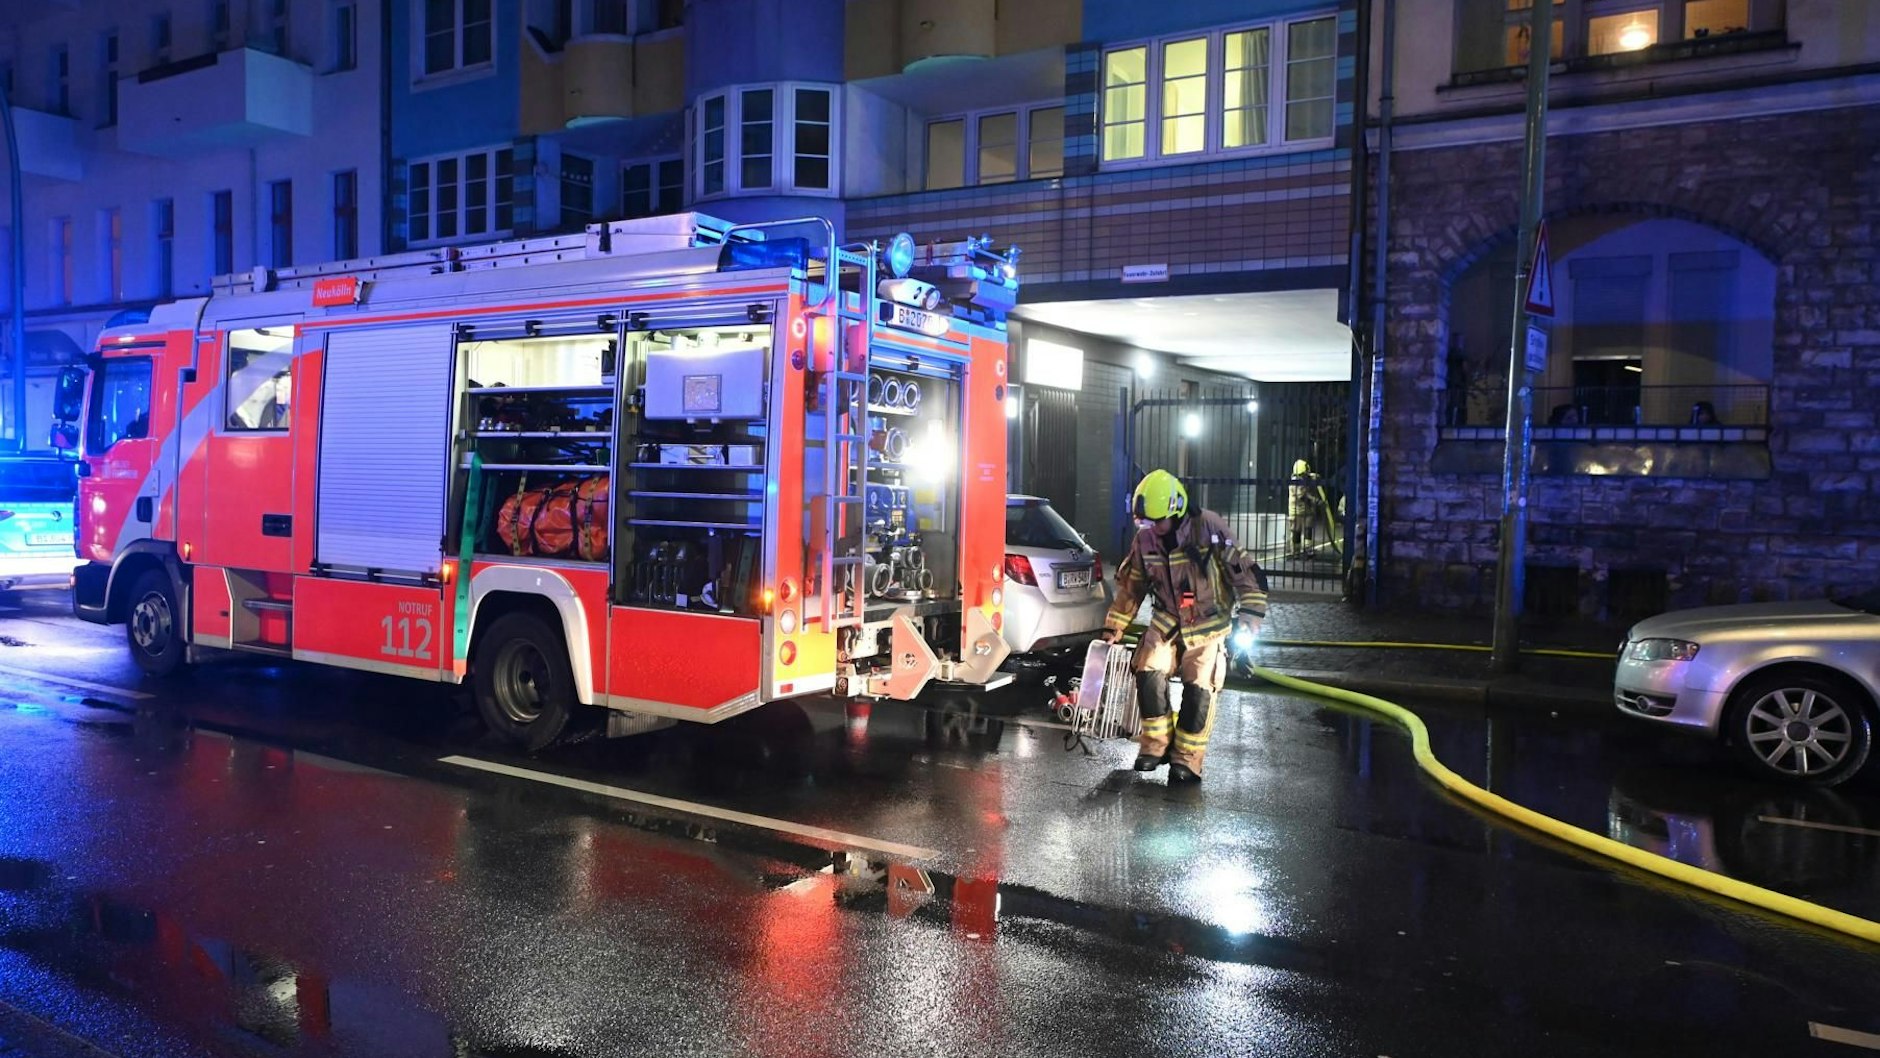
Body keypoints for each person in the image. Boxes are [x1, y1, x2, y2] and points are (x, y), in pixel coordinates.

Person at [1098, 470, 1269, 784]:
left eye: (1156, 521)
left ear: (1176, 511)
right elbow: (1132, 586)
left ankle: (1186, 760)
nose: (1151, 528)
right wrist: (1114, 626)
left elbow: (1242, 570)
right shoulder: (1146, 538)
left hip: (1208, 625)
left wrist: (1251, 613)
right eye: (1144, 522)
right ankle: (1156, 746)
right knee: (1147, 667)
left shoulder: (1210, 528)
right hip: (1167, 621)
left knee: (1199, 687)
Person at [1288, 459, 1322, 557]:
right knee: (1296, 531)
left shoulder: (1304, 478)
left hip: (1307, 510)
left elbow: (1313, 476)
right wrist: (1315, 501)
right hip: (1296, 510)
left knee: (1308, 529)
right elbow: (1302, 496)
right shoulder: (1295, 482)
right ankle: (1295, 552)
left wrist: (1315, 477)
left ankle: (1308, 549)